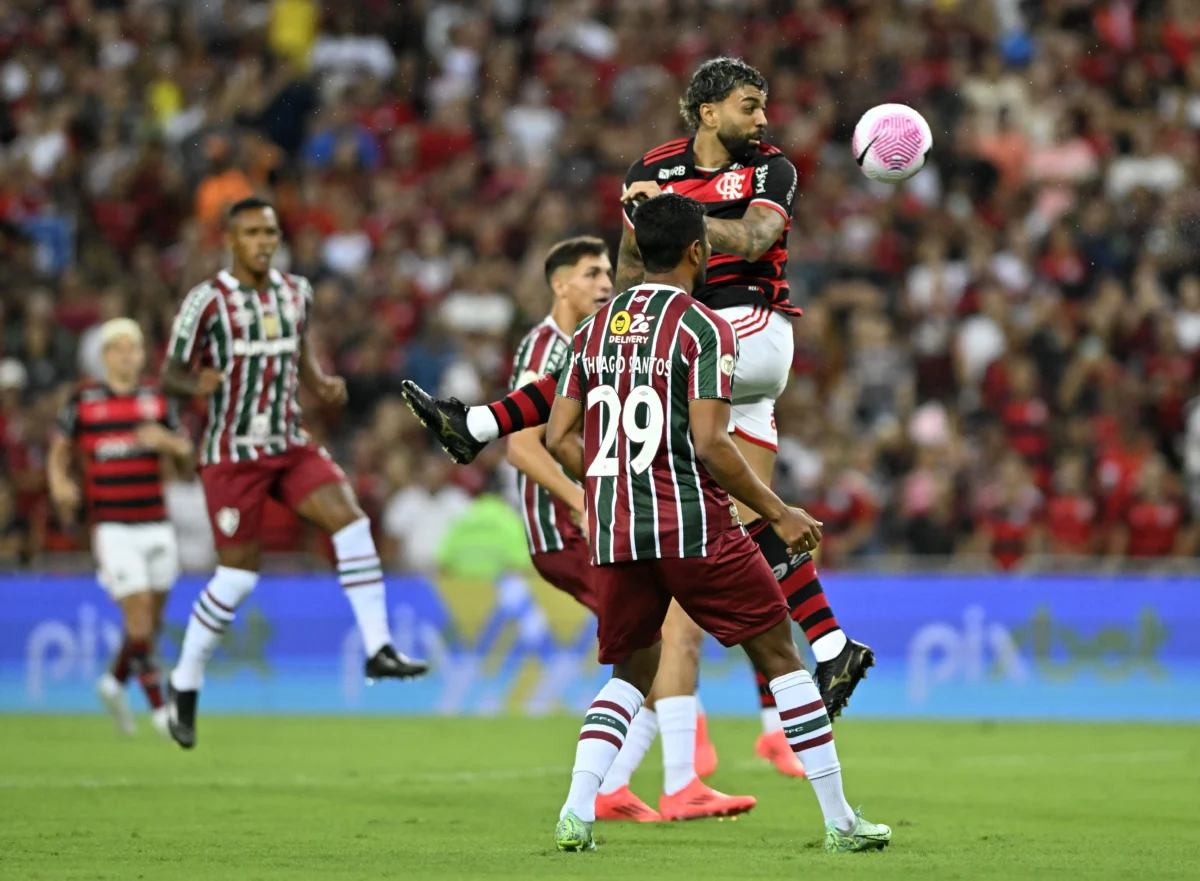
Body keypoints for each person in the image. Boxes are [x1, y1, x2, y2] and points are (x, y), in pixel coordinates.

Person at [402, 58, 872, 777]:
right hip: (707, 346)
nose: (764, 119)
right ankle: (835, 648)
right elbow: (631, 264)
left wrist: (672, 218)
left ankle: (482, 426)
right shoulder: (648, 165)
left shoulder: (772, 170)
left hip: (748, 327)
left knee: (610, 359)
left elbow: (750, 239)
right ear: (708, 111)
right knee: (743, 516)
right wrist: (638, 261)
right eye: (751, 106)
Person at [545, 193, 889, 854]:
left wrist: (615, 479)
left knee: (629, 671)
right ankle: (842, 821)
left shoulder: (592, 328)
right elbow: (710, 443)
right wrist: (778, 510)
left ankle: (575, 811)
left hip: (619, 532)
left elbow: (560, 434)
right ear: (700, 251)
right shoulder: (705, 328)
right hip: (693, 527)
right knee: (782, 655)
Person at [160, 196, 426, 749]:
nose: (263, 241)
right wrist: (196, 386)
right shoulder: (206, 302)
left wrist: (321, 381)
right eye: (252, 232)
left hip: (288, 442)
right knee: (236, 578)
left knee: (350, 520)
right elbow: (170, 373)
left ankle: (378, 647)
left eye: (270, 232)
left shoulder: (295, 291)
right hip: (232, 453)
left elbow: (299, 351)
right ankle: (185, 681)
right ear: (230, 240)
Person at [506, 235, 754, 822]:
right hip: (569, 529)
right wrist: (582, 500)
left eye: (605, 273)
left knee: (653, 644)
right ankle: (676, 777)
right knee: (661, 636)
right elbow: (522, 445)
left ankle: (625, 784)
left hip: (612, 522)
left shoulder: (609, 341)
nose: (603, 284)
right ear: (559, 285)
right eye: (590, 274)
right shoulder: (548, 345)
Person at [47, 318, 192, 737]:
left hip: (156, 523)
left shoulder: (158, 399)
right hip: (114, 527)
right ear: (106, 355)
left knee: (150, 623)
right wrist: (60, 482)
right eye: (120, 348)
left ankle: (113, 683)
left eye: (135, 348)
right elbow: (59, 451)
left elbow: (186, 459)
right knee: (141, 622)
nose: (128, 355)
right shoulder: (85, 400)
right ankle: (162, 710)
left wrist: (168, 445)